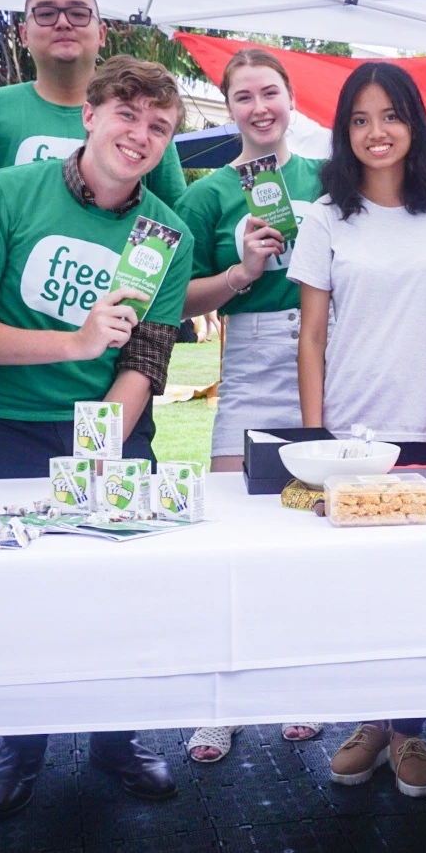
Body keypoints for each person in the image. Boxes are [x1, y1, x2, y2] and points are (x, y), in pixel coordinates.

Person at [0, 54, 191, 821]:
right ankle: (22, 742)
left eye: (158, 126)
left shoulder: (165, 232)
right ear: (90, 115)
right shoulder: (8, 193)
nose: (140, 135)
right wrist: (73, 344)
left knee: (121, 593)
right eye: (127, 115)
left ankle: (115, 740)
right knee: (17, 597)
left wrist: (97, 446)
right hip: (2, 423)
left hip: (107, 428)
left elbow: (145, 361)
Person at [287, 61, 426, 798]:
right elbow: (310, 337)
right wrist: (314, 438)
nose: (377, 132)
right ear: (344, 131)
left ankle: (409, 730)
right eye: (360, 119)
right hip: (352, 434)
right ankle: (370, 720)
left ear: (414, 125)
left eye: (391, 116)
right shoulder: (325, 217)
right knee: (362, 589)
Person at [171, 47, 326, 764]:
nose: (259, 108)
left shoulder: (325, 178)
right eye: (244, 97)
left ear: (290, 99)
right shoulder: (207, 195)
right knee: (232, 524)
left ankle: (299, 684)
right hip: (250, 352)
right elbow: (176, 297)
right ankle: (223, 702)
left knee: (311, 523)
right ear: (229, 107)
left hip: (326, 353)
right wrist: (242, 271)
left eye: (270, 93)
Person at [0, 0, 186, 219]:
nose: (63, 23)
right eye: (46, 14)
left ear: (102, 34)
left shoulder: (144, 125)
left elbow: (169, 224)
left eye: (78, 14)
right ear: (24, 34)